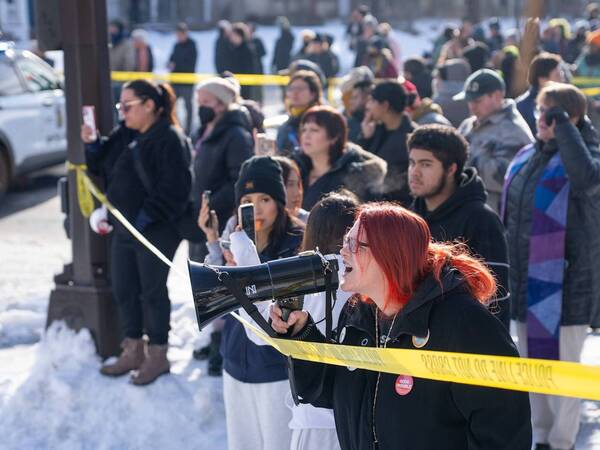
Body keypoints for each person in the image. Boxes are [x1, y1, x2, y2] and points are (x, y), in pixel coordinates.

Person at [270, 203, 532, 450]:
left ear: (389, 255)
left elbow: (503, 432)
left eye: (352, 243)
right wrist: (302, 333)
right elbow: (335, 394)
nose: (342, 251)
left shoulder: (463, 324)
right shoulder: (359, 314)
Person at [502, 82, 600, 450]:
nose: (540, 120)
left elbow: (587, 179)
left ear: (571, 118)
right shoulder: (529, 155)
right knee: (531, 367)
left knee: (564, 372)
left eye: (550, 114)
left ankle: (563, 442)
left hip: (568, 286)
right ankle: (540, 438)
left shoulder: (587, 153)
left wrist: (567, 131)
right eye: (541, 112)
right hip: (527, 282)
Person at [81, 80, 191, 385]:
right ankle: (132, 348)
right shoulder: (128, 133)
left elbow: (177, 188)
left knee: (152, 292)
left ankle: (158, 354)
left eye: (128, 106)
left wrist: (146, 217)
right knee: (124, 288)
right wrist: (92, 144)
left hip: (155, 230)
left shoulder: (170, 138)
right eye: (121, 105)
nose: (122, 112)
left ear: (150, 106)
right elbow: (100, 165)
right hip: (124, 227)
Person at [240, 190, 360, 450]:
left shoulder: (299, 278)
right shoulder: (364, 277)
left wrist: (244, 255)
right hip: (356, 418)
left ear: (312, 232)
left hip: (314, 417)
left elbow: (258, 333)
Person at [216, 156, 304, 450]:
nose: (257, 208)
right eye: (248, 200)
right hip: (235, 364)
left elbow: (286, 308)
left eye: (265, 198)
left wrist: (249, 265)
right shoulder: (232, 239)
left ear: (280, 202)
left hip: (276, 371)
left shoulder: (297, 243)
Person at [407, 124, 510, 328]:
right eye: (412, 163)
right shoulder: (410, 217)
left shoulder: (481, 219)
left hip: (464, 346)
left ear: (451, 168)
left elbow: (495, 301)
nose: (414, 172)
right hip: (416, 346)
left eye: (426, 164)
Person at [189, 77, 254, 263]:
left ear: (221, 104)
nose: (201, 107)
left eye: (206, 102)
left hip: (220, 219)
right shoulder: (202, 131)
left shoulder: (236, 135)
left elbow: (237, 180)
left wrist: (211, 206)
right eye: (199, 102)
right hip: (200, 217)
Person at [455, 68, 533, 213]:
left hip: (493, 215)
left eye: (477, 100)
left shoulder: (513, 130)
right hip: (467, 209)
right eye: (469, 101)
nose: (472, 106)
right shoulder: (468, 124)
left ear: (497, 96)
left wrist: (456, 166)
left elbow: (506, 177)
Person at [294, 105, 387, 210]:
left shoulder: (354, 174)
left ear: (334, 136)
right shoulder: (297, 169)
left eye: (314, 130)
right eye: (304, 130)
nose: (306, 135)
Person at [359, 80, 416, 205]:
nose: (367, 106)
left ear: (385, 105)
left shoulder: (412, 138)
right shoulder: (376, 131)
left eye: (372, 101)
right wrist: (366, 138)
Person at [276, 70, 323, 155]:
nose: (295, 93)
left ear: (313, 94)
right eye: (291, 89)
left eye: (300, 89)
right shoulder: (285, 126)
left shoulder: (322, 121)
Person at [517, 53, 565, 134]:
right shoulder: (523, 108)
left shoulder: (563, 101)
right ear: (542, 80)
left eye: (562, 75)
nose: (562, 80)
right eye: (557, 76)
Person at [168, 22, 198, 134]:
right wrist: (170, 64)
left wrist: (176, 65)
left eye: (180, 35)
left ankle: (188, 130)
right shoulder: (176, 45)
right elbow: (172, 58)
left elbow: (191, 64)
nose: (178, 37)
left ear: (185, 33)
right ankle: (176, 126)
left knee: (188, 107)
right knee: (172, 105)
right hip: (175, 81)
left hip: (187, 82)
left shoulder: (192, 45)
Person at [272, 156, 310, 224]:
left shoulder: (308, 221)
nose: (297, 192)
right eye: (290, 184)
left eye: (298, 184)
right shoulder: (257, 222)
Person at [228, 22, 257, 101]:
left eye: (233, 35)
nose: (231, 37)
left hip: (245, 86)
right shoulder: (231, 49)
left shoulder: (247, 49)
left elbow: (250, 68)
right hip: (233, 83)